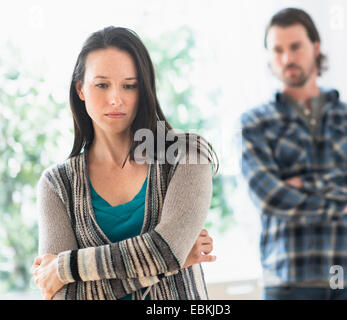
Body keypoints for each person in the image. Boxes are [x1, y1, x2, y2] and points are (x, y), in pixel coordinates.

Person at [32, 26, 218, 300]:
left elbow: (168, 249)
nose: (115, 99)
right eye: (102, 84)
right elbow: (61, 295)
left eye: (129, 85)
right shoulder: (57, 185)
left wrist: (67, 266)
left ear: (144, 90)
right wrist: (167, 262)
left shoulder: (186, 155)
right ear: (80, 89)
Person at [241, 8, 347, 300]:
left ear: (315, 48)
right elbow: (271, 198)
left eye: (295, 47)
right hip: (287, 286)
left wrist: (302, 184)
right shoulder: (255, 124)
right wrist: (343, 199)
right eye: (278, 50)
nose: (287, 58)